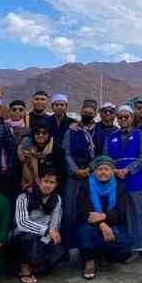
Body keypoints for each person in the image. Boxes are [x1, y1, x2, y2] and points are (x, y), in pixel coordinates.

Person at [76, 156, 134, 280]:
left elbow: (121, 212)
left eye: (107, 169)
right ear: (95, 171)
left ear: (112, 171)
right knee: (84, 232)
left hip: (113, 225)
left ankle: (103, 253)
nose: (103, 172)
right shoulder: (85, 185)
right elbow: (83, 212)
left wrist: (104, 216)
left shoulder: (120, 187)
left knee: (126, 249)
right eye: (100, 169)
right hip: (92, 227)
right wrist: (102, 224)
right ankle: (89, 260)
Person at [104, 105, 142, 253]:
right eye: (120, 117)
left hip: (135, 179)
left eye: (126, 117)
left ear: (132, 118)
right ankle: (123, 244)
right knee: (119, 213)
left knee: (138, 211)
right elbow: (106, 157)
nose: (123, 119)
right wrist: (115, 170)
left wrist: (128, 169)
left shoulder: (140, 135)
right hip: (116, 180)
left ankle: (140, 243)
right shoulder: (111, 137)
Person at [12, 168, 65, 283]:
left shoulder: (57, 199)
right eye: (46, 181)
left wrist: (48, 239)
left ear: (56, 185)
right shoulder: (23, 197)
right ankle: (24, 268)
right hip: (22, 235)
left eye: (52, 183)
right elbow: (22, 223)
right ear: (38, 181)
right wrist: (46, 231)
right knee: (29, 238)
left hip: (42, 237)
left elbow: (55, 224)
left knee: (60, 255)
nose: (48, 185)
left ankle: (36, 262)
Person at [62, 99, 99, 251]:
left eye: (91, 113)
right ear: (81, 112)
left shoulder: (98, 131)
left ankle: (89, 246)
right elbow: (66, 152)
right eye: (85, 112)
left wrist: (89, 169)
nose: (87, 115)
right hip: (73, 175)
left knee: (90, 208)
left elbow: (101, 153)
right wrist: (76, 170)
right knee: (70, 208)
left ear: (95, 114)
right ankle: (69, 245)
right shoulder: (72, 130)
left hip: (91, 176)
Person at [18, 117, 68, 191]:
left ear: (49, 134)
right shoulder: (26, 149)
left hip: (50, 187)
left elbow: (61, 172)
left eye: (44, 133)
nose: (40, 135)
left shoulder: (56, 150)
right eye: (37, 132)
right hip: (29, 186)